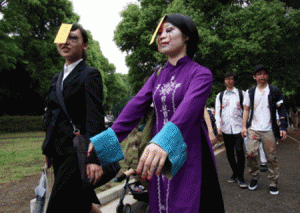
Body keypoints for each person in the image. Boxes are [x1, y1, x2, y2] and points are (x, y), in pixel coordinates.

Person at [88, 13, 224, 212]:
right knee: (161, 204)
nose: (162, 36)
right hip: (158, 156)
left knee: (187, 205)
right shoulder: (158, 75)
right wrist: (106, 141)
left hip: (190, 153)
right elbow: (133, 108)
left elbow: (187, 112)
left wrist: (163, 142)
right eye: (159, 32)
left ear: (187, 36)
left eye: (169, 30)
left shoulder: (201, 74)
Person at [42, 23, 105, 213]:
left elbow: (95, 118)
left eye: (73, 38)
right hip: (59, 151)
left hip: (77, 152)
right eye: (62, 38)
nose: (66, 42)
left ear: (84, 45)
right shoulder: (56, 78)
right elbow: (51, 116)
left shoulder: (90, 75)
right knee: (80, 204)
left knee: (57, 207)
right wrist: (47, 149)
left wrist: (93, 159)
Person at [242, 65, 287, 195]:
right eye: (259, 74)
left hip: (269, 130)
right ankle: (255, 176)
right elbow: (246, 110)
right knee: (250, 154)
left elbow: (281, 108)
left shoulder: (274, 91)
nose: (262, 76)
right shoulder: (250, 92)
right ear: (254, 77)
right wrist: (244, 127)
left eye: (265, 73)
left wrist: (283, 127)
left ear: (267, 76)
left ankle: (273, 182)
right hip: (253, 129)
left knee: (271, 157)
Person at [215, 72, 247, 188]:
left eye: (231, 79)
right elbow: (218, 112)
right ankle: (235, 173)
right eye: (226, 79)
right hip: (226, 128)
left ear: (234, 81)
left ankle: (241, 176)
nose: (228, 81)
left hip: (239, 127)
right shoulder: (220, 95)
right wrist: (218, 126)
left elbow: (246, 111)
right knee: (229, 153)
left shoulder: (241, 94)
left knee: (239, 151)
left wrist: (245, 126)